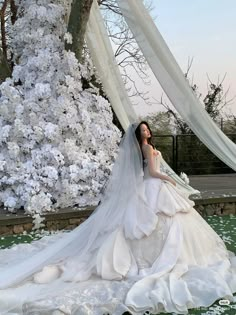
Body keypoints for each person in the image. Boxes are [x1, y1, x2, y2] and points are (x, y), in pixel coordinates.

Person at [0, 121, 236, 315]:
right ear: (138, 135)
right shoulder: (145, 148)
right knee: (156, 220)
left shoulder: (146, 147)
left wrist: (164, 178)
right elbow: (153, 172)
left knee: (169, 219)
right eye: (143, 130)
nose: (147, 132)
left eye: (147, 129)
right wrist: (169, 179)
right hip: (154, 185)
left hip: (154, 187)